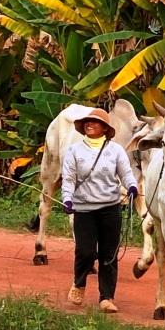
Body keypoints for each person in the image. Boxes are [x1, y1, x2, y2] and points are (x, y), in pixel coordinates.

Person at [61, 108, 138, 313]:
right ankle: (79, 283)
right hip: (84, 209)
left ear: (105, 128)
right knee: (85, 252)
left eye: (94, 122)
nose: (89, 124)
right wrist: (67, 199)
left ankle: (106, 297)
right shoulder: (74, 151)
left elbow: (126, 173)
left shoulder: (116, 151)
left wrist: (132, 186)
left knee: (108, 255)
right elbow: (68, 178)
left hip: (110, 208)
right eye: (87, 122)